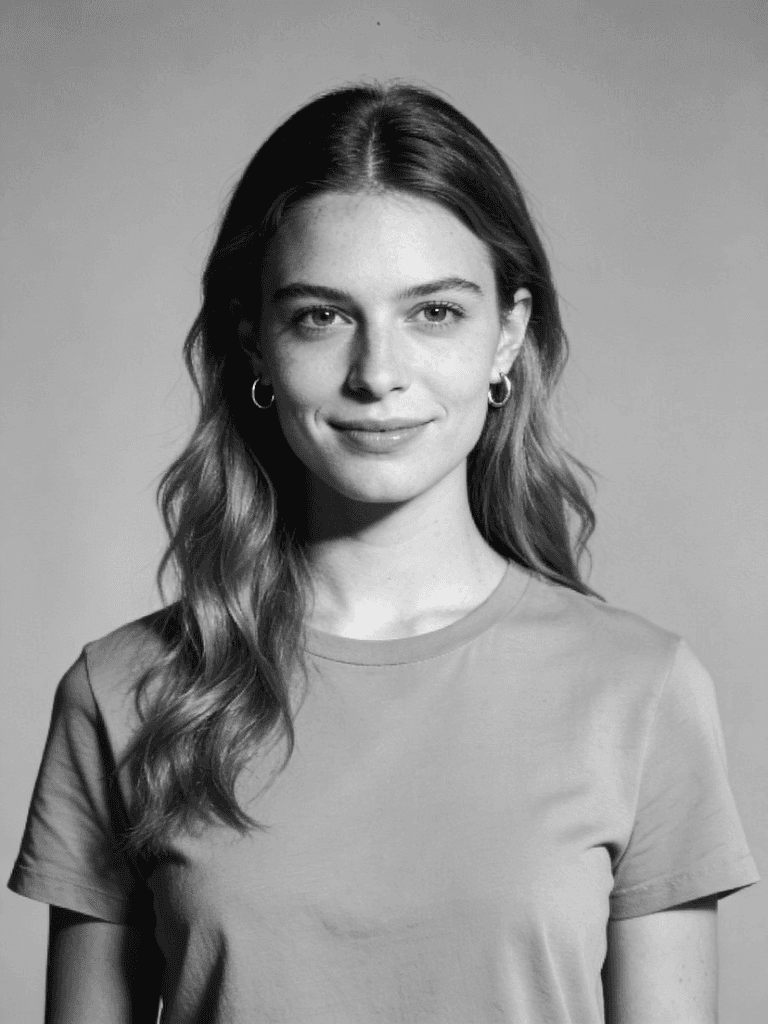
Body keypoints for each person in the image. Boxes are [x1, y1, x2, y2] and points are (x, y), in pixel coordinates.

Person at [9, 81, 759, 1024]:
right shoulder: (122, 693)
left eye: (434, 312)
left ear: (508, 337)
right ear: (255, 343)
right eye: (321, 316)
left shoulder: (640, 691)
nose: (378, 374)